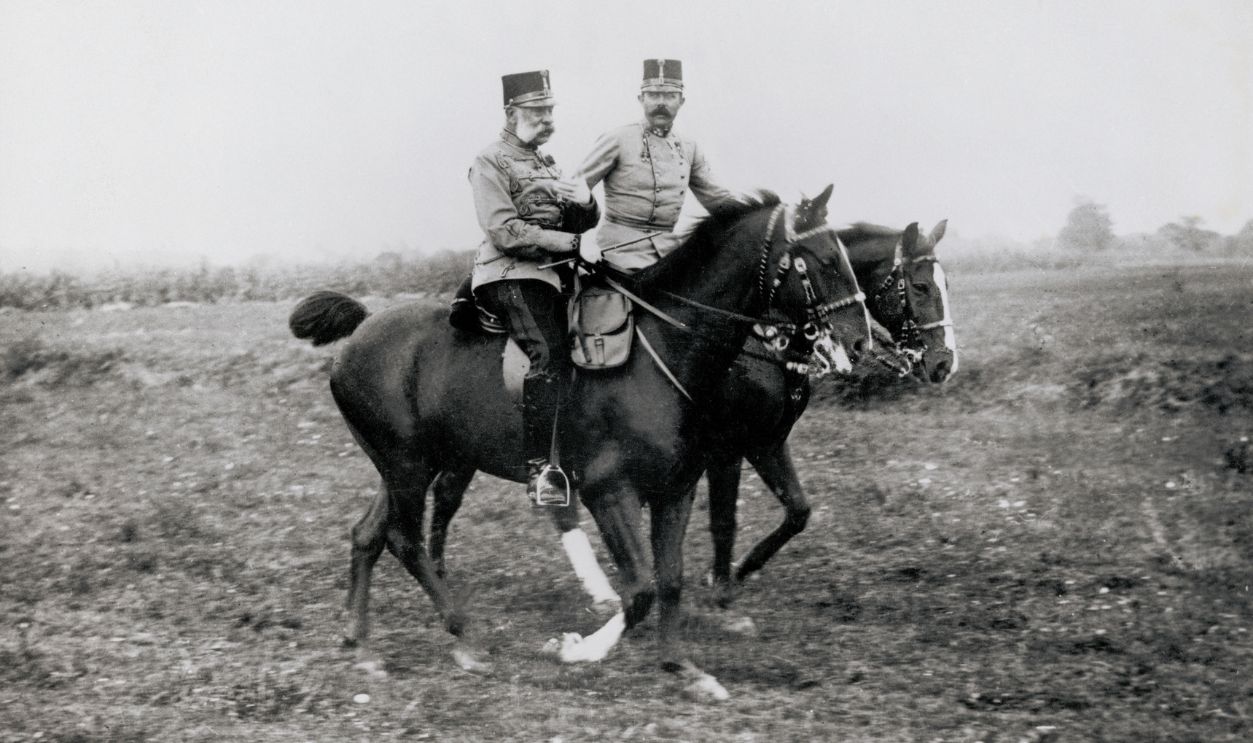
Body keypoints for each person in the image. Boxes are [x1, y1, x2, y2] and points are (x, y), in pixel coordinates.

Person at [468, 69, 599, 506]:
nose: (547, 120)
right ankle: (542, 471)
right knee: (550, 352)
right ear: (511, 112)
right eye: (537, 111)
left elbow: (575, 222)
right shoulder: (489, 161)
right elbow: (504, 230)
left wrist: (585, 203)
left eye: (549, 111)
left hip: (556, 271)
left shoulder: (547, 161)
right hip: (511, 274)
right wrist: (574, 242)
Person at [576, 58, 741, 271]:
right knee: (607, 303)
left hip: (668, 256)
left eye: (670, 96)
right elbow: (575, 188)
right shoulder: (618, 139)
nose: (660, 103)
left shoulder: (689, 148)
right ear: (641, 99)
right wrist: (582, 239)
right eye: (653, 95)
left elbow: (718, 200)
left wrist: (764, 216)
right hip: (615, 254)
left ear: (681, 101)